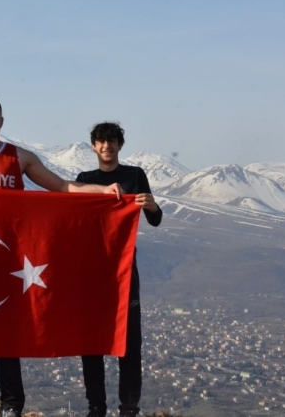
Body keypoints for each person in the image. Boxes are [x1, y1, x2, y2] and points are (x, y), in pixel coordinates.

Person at [0, 96, 122, 417]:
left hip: (10, 262)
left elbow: (60, 187)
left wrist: (101, 191)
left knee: (6, 334)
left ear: (2, 121)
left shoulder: (19, 157)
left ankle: (11, 404)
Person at [75, 122, 163, 417]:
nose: (106, 146)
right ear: (93, 146)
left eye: (111, 141)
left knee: (129, 344)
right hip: (91, 272)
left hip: (125, 271)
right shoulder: (84, 179)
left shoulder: (135, 175)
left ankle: (129, 409)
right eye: (101, 141)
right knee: (92, 343)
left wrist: (150, 205)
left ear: (119, 145)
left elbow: (156, 219)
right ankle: (96, 407)